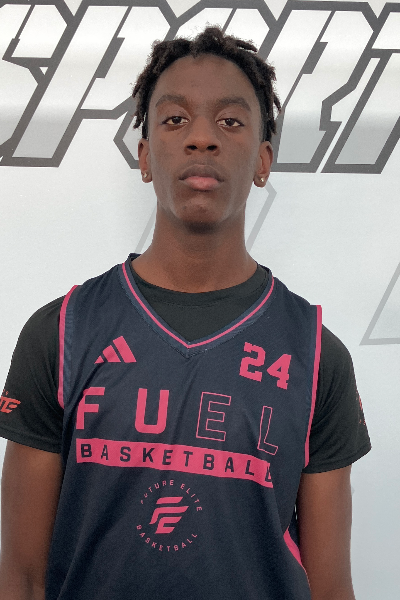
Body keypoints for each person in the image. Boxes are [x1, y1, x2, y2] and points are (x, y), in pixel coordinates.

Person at [0, 26, 371, 600]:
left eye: (230, 122)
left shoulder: (317, 354)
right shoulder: (62, 332)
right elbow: (21, 578)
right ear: (146, 157)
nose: (202, 138)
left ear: (263, 161)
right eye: (175, 120)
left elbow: (329, 587)